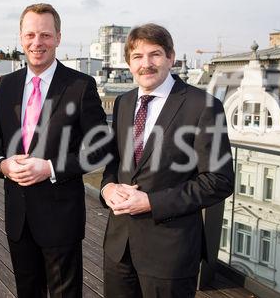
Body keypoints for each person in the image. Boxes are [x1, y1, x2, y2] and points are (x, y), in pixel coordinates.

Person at [0, 3, 109, 297]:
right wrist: (2, 165)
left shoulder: (80, 86)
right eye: (30, 35)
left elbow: (100, 147)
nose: (37, 43)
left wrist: (50, 168)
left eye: (45, 35)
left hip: (61, 218)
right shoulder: (7, 84)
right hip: (18, 216)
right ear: (20, 37)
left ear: (58, 38)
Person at [100, 23, 234, 298]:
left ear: (171, 57)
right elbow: (115, 163)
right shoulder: (124, 102)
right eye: (137, 57)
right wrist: (107, 188)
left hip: (169, 254)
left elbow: (219, 181)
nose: (146, 64)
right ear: (128, 63)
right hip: (119, 247)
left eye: (155, 54)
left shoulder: (203, 106)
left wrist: (152, 202)